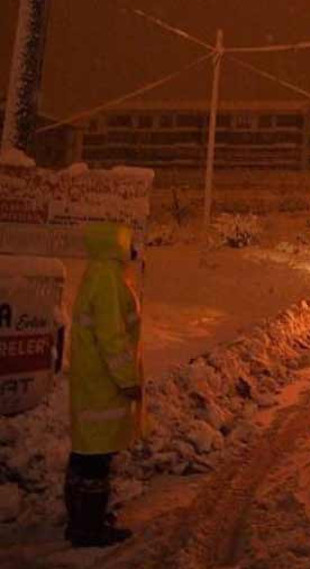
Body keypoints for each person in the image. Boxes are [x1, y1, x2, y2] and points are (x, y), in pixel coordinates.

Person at [64, 223, 144, 547]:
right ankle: (89, 528)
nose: (133, 247)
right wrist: (127, 380)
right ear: (115, 244)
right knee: (96, 457)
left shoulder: (98, 271)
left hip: (92, 378)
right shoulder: (108, 277)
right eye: (128, 241)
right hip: (103, 383)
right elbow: (112, 337)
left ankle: (82, 520)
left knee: (85, 454)